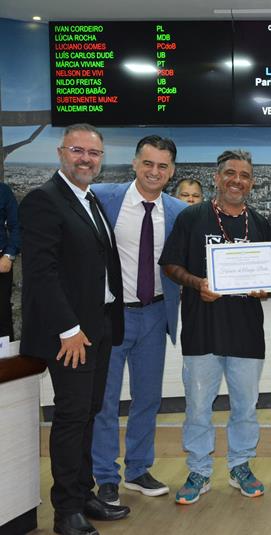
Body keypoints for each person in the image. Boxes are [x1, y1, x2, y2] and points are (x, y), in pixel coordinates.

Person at [20, 123, 130, 535]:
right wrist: (68, 328)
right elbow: (42, 273)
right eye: (78, 151)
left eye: (94, 153)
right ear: (61, 152)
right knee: (70, 417)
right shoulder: (43, 200)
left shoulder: (89, 200)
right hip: (70, 334)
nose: (86, 159)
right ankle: (66, 511)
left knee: (88, 413)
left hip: (97, 326)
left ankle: (83, 494)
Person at [159, 150, 271, 505]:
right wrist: (197, 283)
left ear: (251, 183)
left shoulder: (260, 222)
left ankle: (240, 465)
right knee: (197, 406)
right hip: (202, 329)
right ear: (217, 177)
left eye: (244, 175)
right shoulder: (192, 217)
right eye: (230, 173)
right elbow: (170, 265)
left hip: (247, 332)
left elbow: (267, 276)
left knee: (245, 407)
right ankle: (199, 470)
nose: (237, 180)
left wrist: (262, 286)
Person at [90, 135, 187, 506]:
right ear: (134, 163)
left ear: (172, 171)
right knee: (106, 400)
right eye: (147, 163)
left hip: (156, 314)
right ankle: (105, 475)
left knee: (147, 398)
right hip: (113, 315)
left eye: (162, 166)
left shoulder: (178, 211)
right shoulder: (103, 199)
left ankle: (138, 469)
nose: (154, 172)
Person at [0, 180, 20, 340]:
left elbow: (17, 225)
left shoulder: (3, 191)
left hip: (1, 262)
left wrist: (9, 255)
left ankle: (5, 361)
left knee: (2, 315)